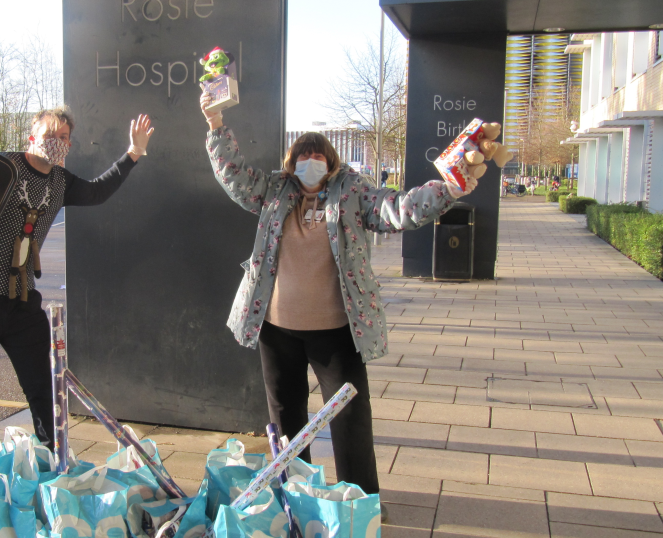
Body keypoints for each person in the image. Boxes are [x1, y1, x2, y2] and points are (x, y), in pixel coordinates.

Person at [200, 94, 479, 501]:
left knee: (350, 418)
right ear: (291, 161)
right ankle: (294, 498)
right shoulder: (274, 190)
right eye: (302, 154)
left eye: (318, 155)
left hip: (335, 331)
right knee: (286, 417)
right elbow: (234, 176)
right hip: (277, 329)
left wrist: (446, 189)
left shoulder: (352, 192)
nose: (309, 161)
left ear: (331, 162)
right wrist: (215, 125)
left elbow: (396, 208)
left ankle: (360, 501)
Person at [0, 107, 155, 496]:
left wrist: (133, 153)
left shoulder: (61, 182)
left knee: (43, 382)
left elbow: (97, 190)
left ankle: (54, 456)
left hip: (19, 296)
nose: (57, 141)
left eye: (64, 137)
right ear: (32, 135)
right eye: (50, 133)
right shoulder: (0, 167)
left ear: (69, 145)